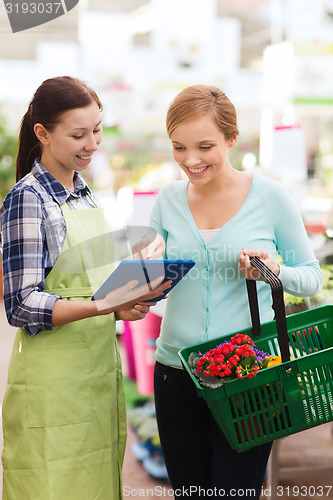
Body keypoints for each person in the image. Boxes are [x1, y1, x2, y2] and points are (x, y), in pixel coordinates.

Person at [140, 84, 323, 499]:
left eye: (205, 146)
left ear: (232, 139)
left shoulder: (270, 197)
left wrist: (274, 270)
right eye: (179, 148)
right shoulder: (167, 200)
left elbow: (310, 276)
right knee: (189, 493)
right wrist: (146, 272)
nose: (191, 160)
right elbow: (151, 285)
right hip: (176, 370)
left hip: (248, 374)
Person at [0, 76, 171, 500]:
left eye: (97, 129)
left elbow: (83, 281)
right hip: (53, 385)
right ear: (43, 134)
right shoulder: (28, 198)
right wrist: (103, 306)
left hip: (94, 377)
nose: (92, 143)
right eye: (78, 134)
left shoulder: (83, 193)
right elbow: (21, 304)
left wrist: (127, 298)